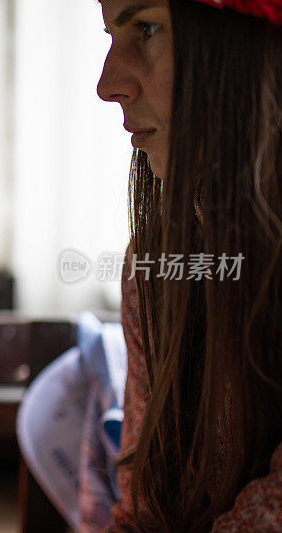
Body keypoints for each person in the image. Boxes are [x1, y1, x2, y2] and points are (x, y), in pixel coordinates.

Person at [97, 0, 282, 530]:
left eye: (147, 28)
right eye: (111, 35)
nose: (107, 84)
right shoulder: (153, 265)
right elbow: (140, 511)